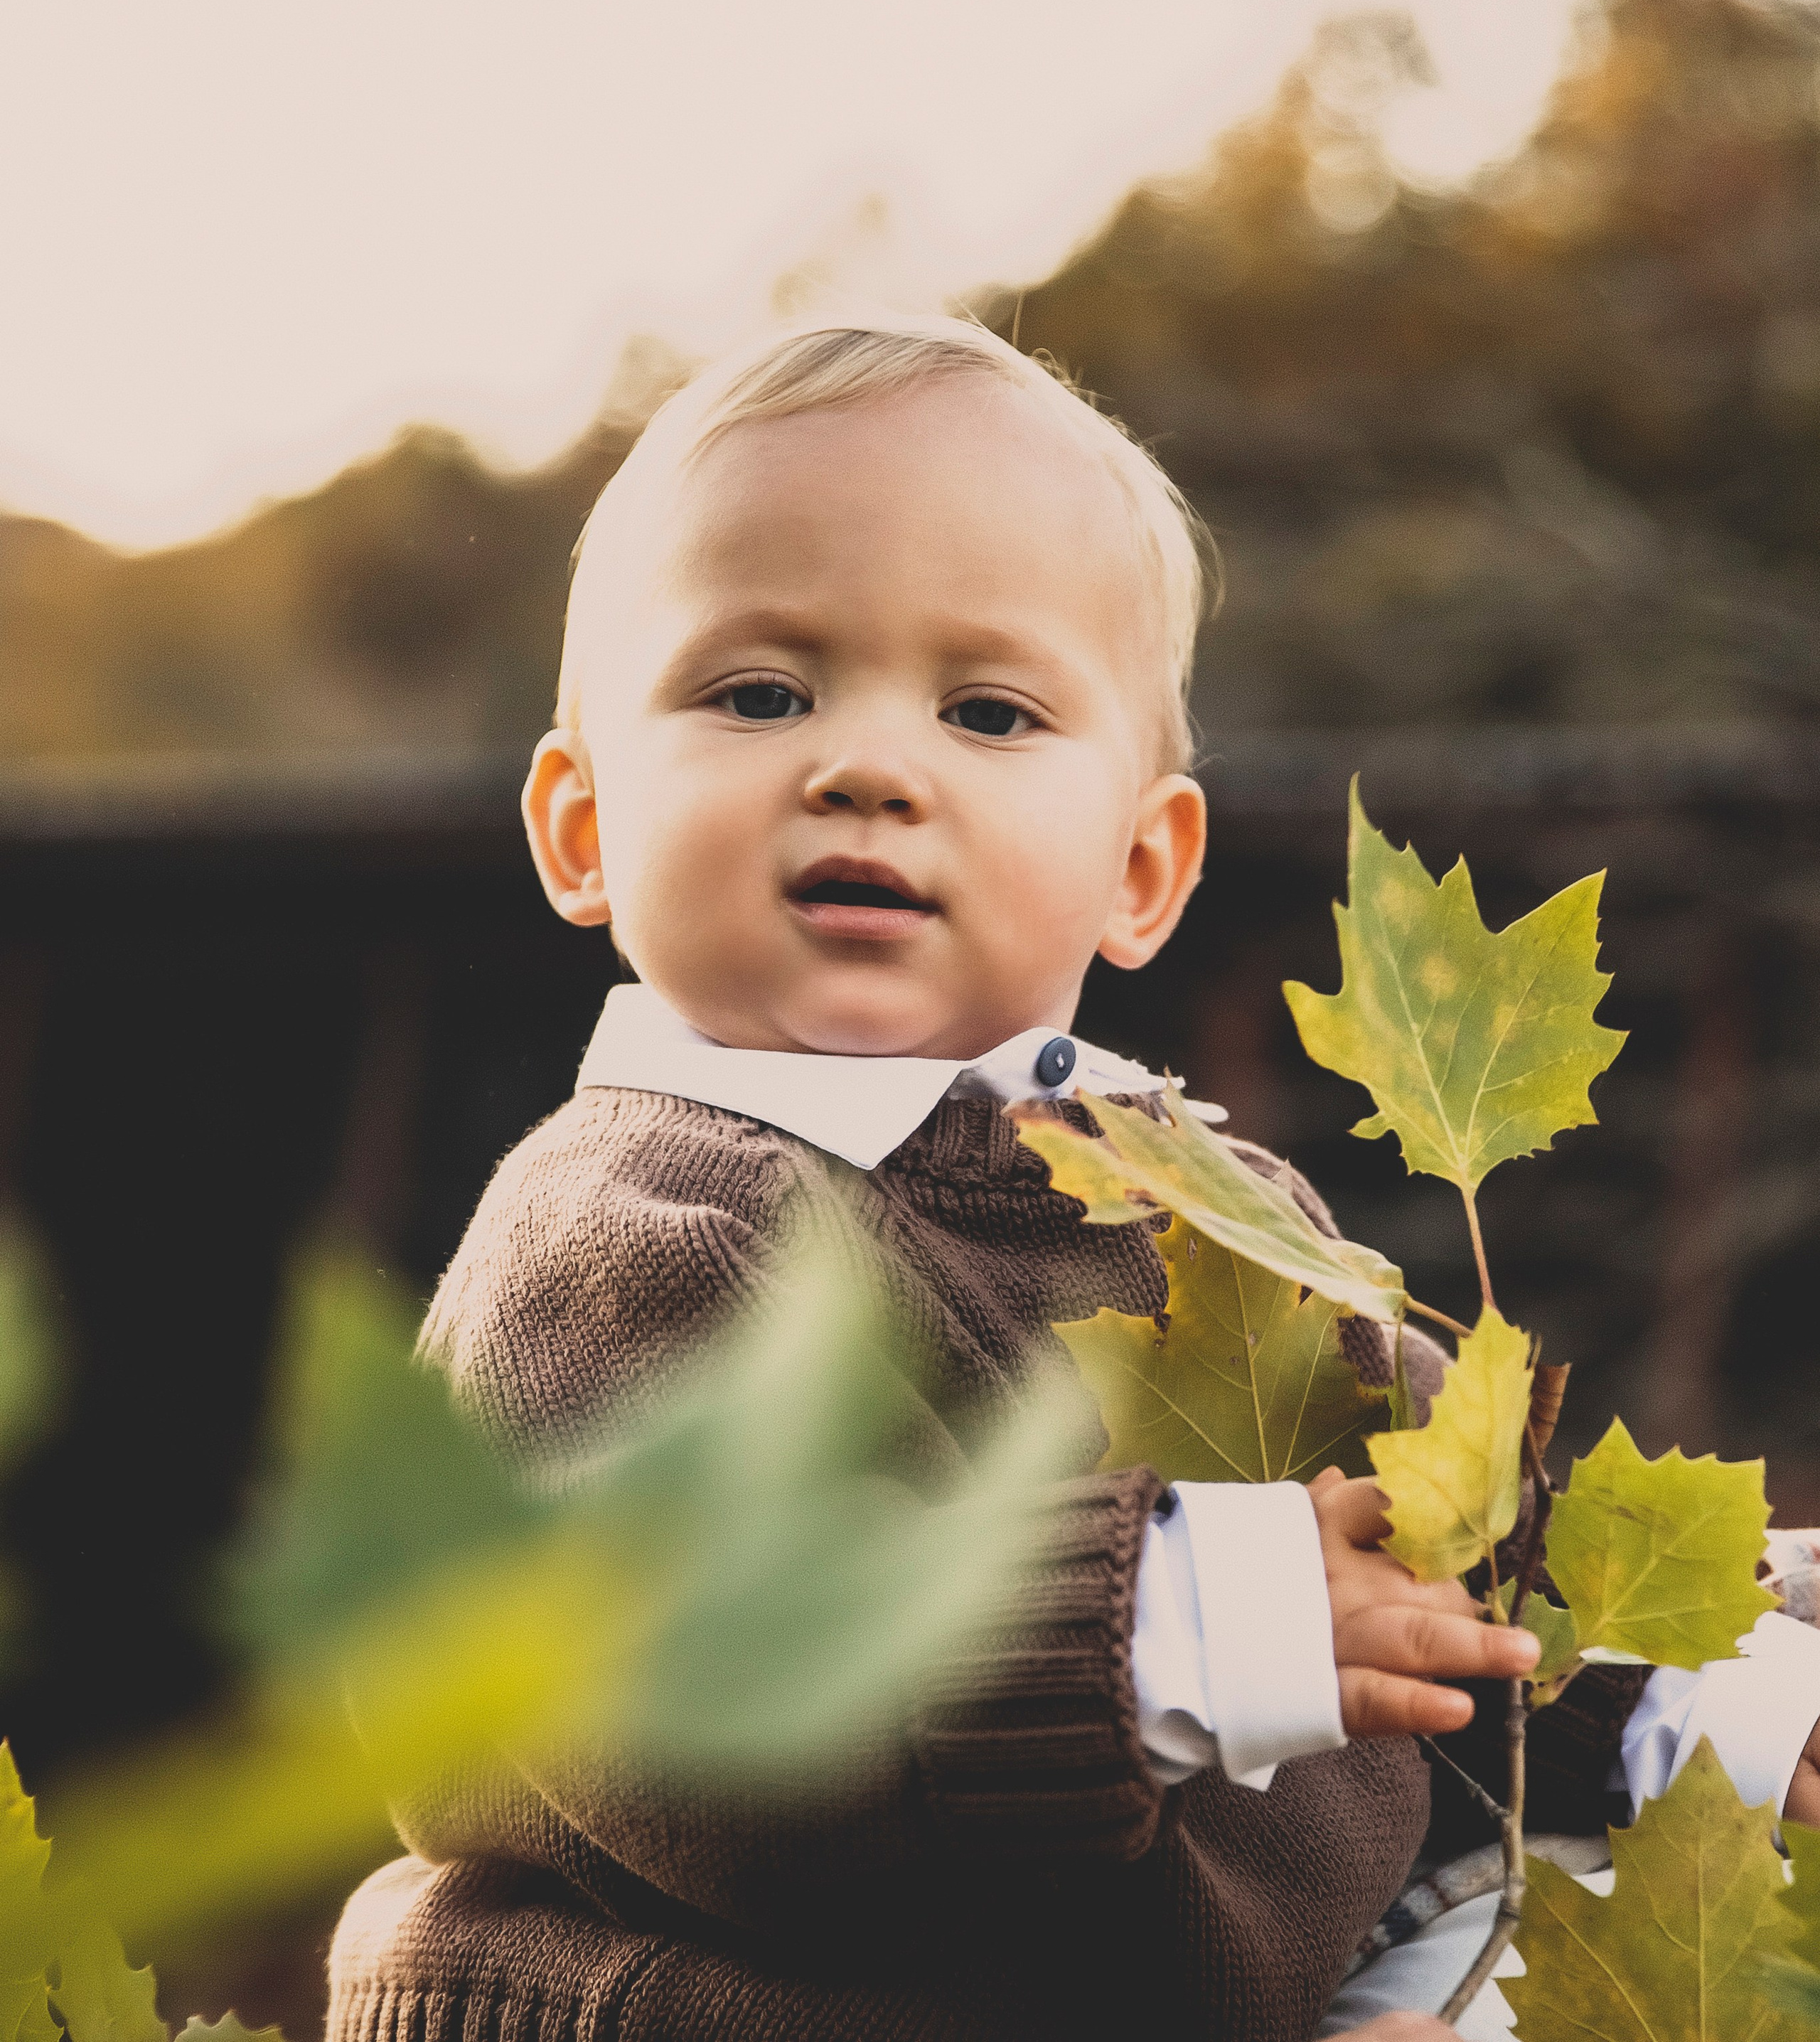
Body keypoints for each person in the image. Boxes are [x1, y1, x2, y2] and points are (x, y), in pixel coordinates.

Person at [328, 315, 1820, 2042]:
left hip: (1224, 1976)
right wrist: (1173, 1625)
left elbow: (1462, 1572)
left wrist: (1719, 1703)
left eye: (986, 709)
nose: (868, 766)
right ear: (582, 826)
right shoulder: (624, 1232)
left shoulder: (1191, 1197)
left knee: (1665, 1917)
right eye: (758, 691)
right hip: (754, 2002)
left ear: (1137, 865)